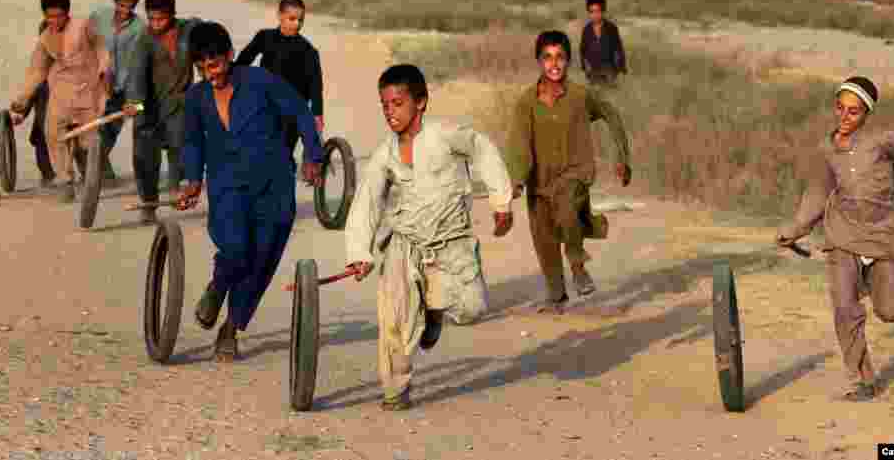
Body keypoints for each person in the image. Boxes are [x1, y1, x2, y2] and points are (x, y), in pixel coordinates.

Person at [776, 76, 894, 401]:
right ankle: (863, 379)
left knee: (893, 311)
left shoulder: (884, 141)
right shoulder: (827, 149)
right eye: (840, 108)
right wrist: (795, 228)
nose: (844, 117)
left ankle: (887, 273)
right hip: (842, 236)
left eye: (853, 112)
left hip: (883, 238)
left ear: (866, 113)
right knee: (843, 307)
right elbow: (818, 193)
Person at [345, 64, 515, 410]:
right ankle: (395, 389)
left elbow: (481, 147)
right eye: (385, 105)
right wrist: (359, 253)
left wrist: (501, 200)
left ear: (420, 102)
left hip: (451, 240)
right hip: (404, 242)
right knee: (392, 318)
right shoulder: (386, 154)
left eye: (397, 103)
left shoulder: (446, 135)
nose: (390, 113)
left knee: (472, 309)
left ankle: (434, 309)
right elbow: (367, 201)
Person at [175, 22, 323, 361]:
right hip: (227, 185)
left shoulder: (259, 82)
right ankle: (218, 286)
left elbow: (300, 111)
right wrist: (192, 180)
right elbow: (193, 141)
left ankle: (231, 329)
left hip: (274, 184)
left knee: (262, 260)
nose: (210, 74)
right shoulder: (196, 98)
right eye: (202, 68)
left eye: (213, 65)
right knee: (236, 247)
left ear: (229, 55)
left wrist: (313, 155)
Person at [507, 31, 632, 313]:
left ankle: (577, 265)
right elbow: (519, 144)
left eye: (560, 57)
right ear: (538, 61)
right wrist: (517, 180)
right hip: (539, 181)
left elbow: (611, 115)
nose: (554, 64)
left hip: (575, 173)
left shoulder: (580, 96)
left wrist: (622, 157)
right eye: (547, 57)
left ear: (569, 60)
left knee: (566, 209)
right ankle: (557, 297)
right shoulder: (526, 103)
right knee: (544, 238)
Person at [9, 0, 111, 202]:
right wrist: (22, 99)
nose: (54, 20)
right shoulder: (45, 38)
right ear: (44, 15)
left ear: (68, 13)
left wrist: (104, 68)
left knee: (88, 141)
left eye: (59, 16)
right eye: (50, 16)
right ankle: (65, 180)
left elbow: (102, 48)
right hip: (62, 91)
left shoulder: (84, 27)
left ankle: (92, 177)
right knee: (52, 131)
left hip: (89, 88)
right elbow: (37, 71)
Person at [123, 0, 203, 224]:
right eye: (152, 19)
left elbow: (209, 38)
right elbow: (136, 75)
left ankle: (176, 188)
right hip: (148, 107)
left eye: (162, 18)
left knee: (181, 145)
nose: (156, 24)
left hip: (180, 102)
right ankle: (148, 203)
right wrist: (134, 103)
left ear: (172, 14)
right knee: (144, 156)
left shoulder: (189, 31)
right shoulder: (143, 42)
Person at [235, 0, 325, 163]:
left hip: (293, 111)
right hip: (264, 104)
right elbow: (243, 61)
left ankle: (285, 177)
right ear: (280, 15)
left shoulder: (309, 51)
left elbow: (315, 85)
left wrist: (318, 114)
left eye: (300, 20)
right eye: (292, 19)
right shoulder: (265, 37)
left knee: (283, 153)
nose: (297, 24)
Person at [90, 0, 146, 182]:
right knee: (90, 128)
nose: (124, 11)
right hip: (95, 83)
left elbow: (138, 62)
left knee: (110, 131)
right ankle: (99, 171)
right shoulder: (98, 17)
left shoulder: (140, 28)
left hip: (122, 87)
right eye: (121, 5)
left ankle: (100, 173)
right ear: (115, 1)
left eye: (130, 7)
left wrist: (134, 97)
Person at [579, 0, 627, 87]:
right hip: (593, 72)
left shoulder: (611, 28)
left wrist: (621, 68)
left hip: (609, 70)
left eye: (598, 11)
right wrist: (586, 68)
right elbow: (582, 50)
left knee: (610, 96)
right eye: (592, 12)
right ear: (588, 12)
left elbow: (618, 48)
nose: (595, 15)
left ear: (603, 11)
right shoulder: (586, 30)